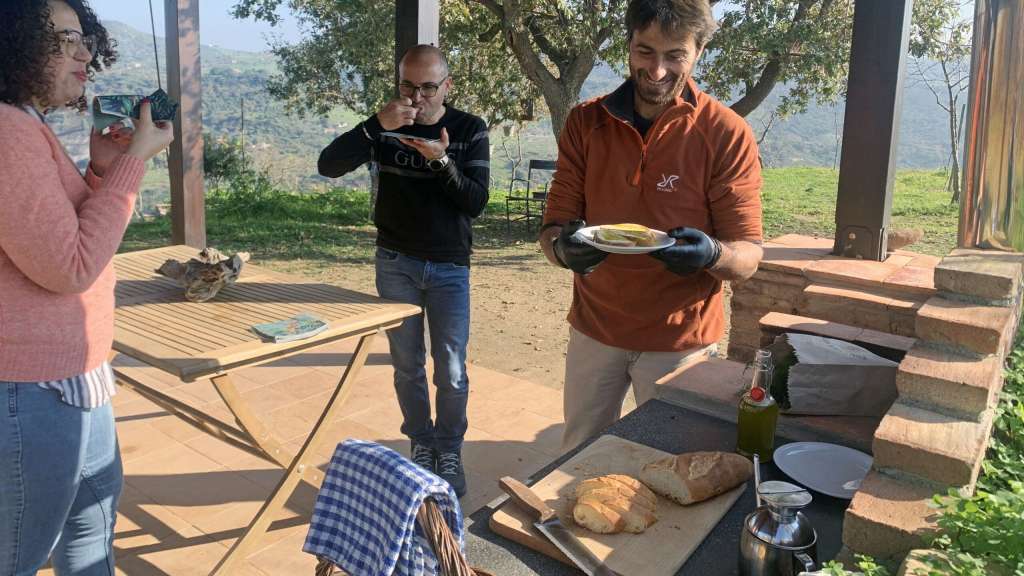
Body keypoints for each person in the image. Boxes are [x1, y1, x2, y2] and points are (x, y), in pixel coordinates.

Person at [539, 0, 764, 451]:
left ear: (698, 51)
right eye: (645, 51)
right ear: (628, 46)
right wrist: (564, 250)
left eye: (674, 55)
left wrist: (712, 255)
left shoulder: (726, 132)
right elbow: (553, 227)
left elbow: (749, 254)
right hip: (595, 328)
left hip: (680, 340)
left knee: (670, 462)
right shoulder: (587, 122)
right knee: (576, 456)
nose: (657, 71)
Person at [0, 1, 174, 574]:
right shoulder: (7, 131)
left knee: (91, 533)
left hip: (73, 376)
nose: (84, 52)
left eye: (85, 39)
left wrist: (100, 169)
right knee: (20, 556)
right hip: (32, 387)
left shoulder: (26, 123)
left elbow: (64, 234)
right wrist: (134, 166)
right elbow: (71, 267)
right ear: (15, 42)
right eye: (62, 40)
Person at [318, 45, 489, 497]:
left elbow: (475, 202)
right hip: (395, 262)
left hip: (450, 265)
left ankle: (449, 448)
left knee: (451, 369)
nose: (418, 97)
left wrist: (441, 161)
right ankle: (421, 443)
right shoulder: (386, 126)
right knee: (406, 366)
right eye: (408, 86)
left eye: (429, 87)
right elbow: (328, 165)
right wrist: (375, 126)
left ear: (447, 86)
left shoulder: (470, 129)